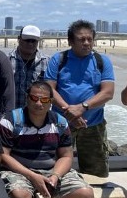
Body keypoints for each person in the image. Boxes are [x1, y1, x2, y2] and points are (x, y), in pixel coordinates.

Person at [0, 80, 94, 198]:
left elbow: (66, 156)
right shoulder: (10, 120)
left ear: (51, 101)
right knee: (19, 194)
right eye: (34, 98)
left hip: (52, 169)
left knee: (85, 193)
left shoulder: (60, 122)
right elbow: (3, 156)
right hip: (19, 169)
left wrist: (55, 176)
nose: (38, 103)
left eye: (44, 99)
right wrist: (32, 176)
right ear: (27, 98)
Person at [44, 19, 114, 178]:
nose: (87, 43)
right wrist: (70, 112)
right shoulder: (59, 59)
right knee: (53, 171)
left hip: (93, 126)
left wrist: (82, 107)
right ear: (70, 41)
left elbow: (108, 93)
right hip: (61, 125)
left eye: (90, 39)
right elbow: (49, 90)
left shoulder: (102, 61)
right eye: (81, 39)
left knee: (96, 174)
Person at [8, 25, 49, 108]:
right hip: (12, 113)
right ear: (19, 39)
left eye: (33, 41)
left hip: (37, 112)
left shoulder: (47, 61)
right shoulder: (6, 60)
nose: (30, 43)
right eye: (27, 40)